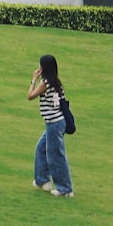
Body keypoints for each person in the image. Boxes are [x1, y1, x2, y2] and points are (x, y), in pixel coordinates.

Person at [27, 54, 74, 198]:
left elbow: (30, 96)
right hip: (55, 122)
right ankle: (42, 180)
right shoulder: (56, 82)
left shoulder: (45, 83)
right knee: (41, 149)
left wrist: (33, 79)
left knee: (56, 156)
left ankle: (65, 189)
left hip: (54, 123)